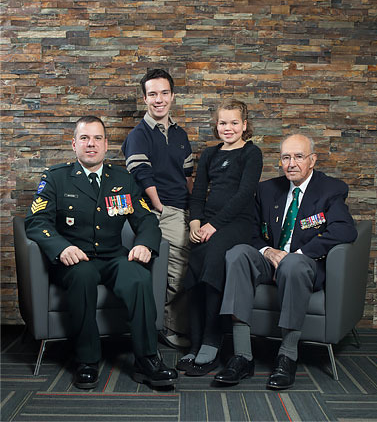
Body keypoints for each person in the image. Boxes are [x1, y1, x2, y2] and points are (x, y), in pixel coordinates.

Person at [25, 116, 178, 389]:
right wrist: (62, 248)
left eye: (97, 138)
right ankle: (87, 360)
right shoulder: (55, 178)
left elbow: (146, 220)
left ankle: (147, 359)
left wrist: (144, 243)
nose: (91, 144)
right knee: (82, 277)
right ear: (74, 144)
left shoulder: (123, 179)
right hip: (75, 259)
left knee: (139, 278)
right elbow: (36, 222)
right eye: (84, 138)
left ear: (106, 145)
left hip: (113, 257)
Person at [216, 133, 357, 389]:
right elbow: (249, 230)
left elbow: (345, 230)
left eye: (299, 157)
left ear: (312, 160)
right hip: (270, 260)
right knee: (236, 254)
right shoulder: (268, 190)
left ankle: (287, 355)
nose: (291, 163)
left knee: (291, 264)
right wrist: (268, 251)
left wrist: (299, 255)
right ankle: (242, 355)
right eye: (285, 158)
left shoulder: (331, 190)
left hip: (304, 264)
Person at [177, 99, 263, 376]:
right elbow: (199, 192)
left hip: (236, 223)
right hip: (208, 223)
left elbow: (243, 195)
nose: (228, 128)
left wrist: (214, 225)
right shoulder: (211, 154)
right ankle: (196, 341)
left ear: (244, 125)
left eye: (234, 123)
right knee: (195, 262)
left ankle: (212, 342)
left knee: (214, 260)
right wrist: (195, 222)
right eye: (223, 123)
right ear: (217, 125)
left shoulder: (252, 154)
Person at [121, 69, 193, 349]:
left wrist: (192, 211)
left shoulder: (180, 134)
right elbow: (142, 175)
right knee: (178, 270)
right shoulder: (138, 135)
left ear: (172, 96)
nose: (159, 99)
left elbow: (187, 176)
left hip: (183, 210)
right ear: (145, 98)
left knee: (188, 268)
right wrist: (161, 207)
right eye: (152, 94)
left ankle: (176, 323)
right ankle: (168, 326)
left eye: (164, 93)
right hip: (162, 211)